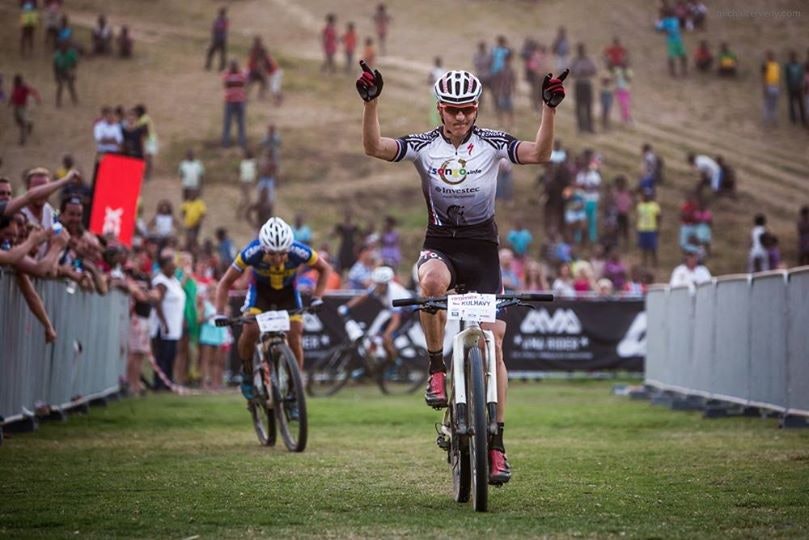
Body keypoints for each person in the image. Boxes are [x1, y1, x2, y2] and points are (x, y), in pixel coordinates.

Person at [358, 62, 567, 485]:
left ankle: (496, 446)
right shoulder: (423, 145)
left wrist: (549, 109)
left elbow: (539, 154)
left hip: (483, 251)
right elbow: (375, 147)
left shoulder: (491, 144)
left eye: (467, 109)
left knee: (495, 340)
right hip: (442, 245)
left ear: (476, 110)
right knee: (431, 284)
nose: (459, 117)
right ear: (439, 109)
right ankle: (436, 366)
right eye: (452, 109)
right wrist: (371, 102)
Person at [214, 217, 333, 400]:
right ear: (263, 248)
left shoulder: (299, 251)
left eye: (282, 253)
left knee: (295, 335)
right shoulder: (250, 252)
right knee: (250, 330)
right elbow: (225, 283)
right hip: (260, 294)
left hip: (287, 294)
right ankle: (246, 373)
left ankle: (295, 391)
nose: (277, 259)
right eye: (272, 254)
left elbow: (324, 269)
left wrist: (317, 298)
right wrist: (219, 312)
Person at [337, 265, 410, 362]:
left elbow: (396, 320)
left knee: (386, 340)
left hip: (407, 315)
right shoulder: (377, 286)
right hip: (392, 312)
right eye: (377, 284)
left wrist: (387, 334)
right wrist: (346, 307)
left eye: (380, 285)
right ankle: (378, 362)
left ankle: (394, 364)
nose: (378, 287)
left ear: (386, 284)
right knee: (373, 336)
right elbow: (363, 297)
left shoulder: (394, 293)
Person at [151, 250, 186, 390]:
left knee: (171, 354)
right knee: (163, 355)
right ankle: (159, 382)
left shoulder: (174, 281)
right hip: (165, 324)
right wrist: (164, 322)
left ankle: (168, 380)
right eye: (171, 267)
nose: (174, 269)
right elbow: (158, 303)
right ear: (163, 267)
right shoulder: (161, 282)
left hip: (175, 323)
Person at [569, 43, 597, 133]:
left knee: (588, 106)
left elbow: (594, 71)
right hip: (579, 84)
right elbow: (570, 72)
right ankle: (580, 127)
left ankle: (589, 127)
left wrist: (586, 72)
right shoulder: (575, 61)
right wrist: (578, 73)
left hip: (587, 83)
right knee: (579, 106)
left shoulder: (589, 60)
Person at [9, 74, 41, 146]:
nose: (15, 82)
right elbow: (13, 94)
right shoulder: (15, 86)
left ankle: (23, 140)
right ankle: (30, 123)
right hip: (16, 106)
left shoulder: (24, 87)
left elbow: (33, 91)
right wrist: (10, 102)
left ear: (19, 81)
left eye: (16, 81)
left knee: (23, 123)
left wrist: (37, 98)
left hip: (23, 107)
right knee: (17, 121)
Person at [221, 60, 247, 148]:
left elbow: (244, 80)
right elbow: (225, 82)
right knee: (228, 122)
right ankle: (226, 142)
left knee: (240, 122)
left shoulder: (240, 74)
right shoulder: (228, 74)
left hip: (239, 101)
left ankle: (241, 142)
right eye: (232, 65)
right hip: (230, 101)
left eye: (235, 65)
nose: (233, 67)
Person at [636, 188, 661, 268]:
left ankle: (655, 263)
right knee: (643, 248)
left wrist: (658, 228)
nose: (646, 196)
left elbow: (658, 217)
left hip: (651, 229)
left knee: (653, 248)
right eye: (645, 195)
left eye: (648, 195)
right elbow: (638, 217)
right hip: (642, 228)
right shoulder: (640, 206)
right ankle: (644, 262)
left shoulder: (654, 206)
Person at [53, 40, 79, 107]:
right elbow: (55, 66)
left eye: (65, 47)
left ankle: (74, 98)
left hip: (68, 70)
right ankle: (58, 101)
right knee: (60, 86)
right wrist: (56, 75)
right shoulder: (57, 55)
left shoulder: (71, 54)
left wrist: (73, 72)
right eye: (62, 47)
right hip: (60, 72)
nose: (63, 48)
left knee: (71, 86)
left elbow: (74, 63)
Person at [784, 50, 806, 126]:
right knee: (792, 104)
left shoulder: (799, 66)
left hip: (798, 88)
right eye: (791, 56)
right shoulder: (788, 66)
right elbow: (787, 77)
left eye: (793, 56)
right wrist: (788, 87)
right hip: (791, 88)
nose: (792, 58)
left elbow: (801, 76)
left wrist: (801, 85)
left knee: (800, 104)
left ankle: (803, 119)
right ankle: (793, 119)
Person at [205, 7, 228, 71]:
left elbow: (216, 28)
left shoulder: (218, 20)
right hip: (222, 39)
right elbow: (223, 28)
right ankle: (221, 67)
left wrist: (214, 32)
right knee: (222, 54)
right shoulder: (224, 20)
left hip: (217, 39)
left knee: (212, 52)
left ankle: (209, 66)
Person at [761, 50, 780, 127]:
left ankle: (772, 121)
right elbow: (764, 77)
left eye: (771, 56)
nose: (771, 57)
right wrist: (765, 87)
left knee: (771, 105)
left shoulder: (775, 65)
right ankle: (768, 121)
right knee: (769, 104)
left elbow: (776, 77)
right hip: (771, 86)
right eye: (770, 56)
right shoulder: (767, 65)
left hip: (774, 86)